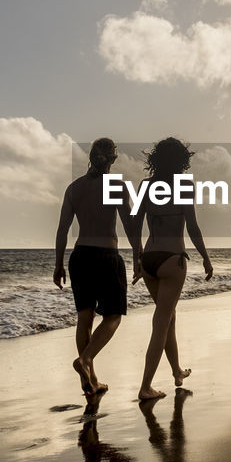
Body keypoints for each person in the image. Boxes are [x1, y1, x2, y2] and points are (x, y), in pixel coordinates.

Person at [54, 138, 140, 395]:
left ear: (91, 157)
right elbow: (130, 226)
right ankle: (86, 360)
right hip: (106, 256)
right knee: (113, 315)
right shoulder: (116, 186)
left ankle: (89, 381)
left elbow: (62, 230)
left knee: (85, 317)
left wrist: (58, 264)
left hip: (79, 257)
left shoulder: (74, 188)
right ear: (113, 159)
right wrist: (138, 256)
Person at [132, 137, 213, 401]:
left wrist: (137, 258)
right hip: (172, 260)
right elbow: (193, 227)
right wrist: (205, 257)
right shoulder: (184, 185)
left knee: (169, 318)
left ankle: (177, 371)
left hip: (150, 260)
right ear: (182, 161)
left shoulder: (146, 186)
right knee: (161, 324)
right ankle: (145, 386)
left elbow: (134, 225)